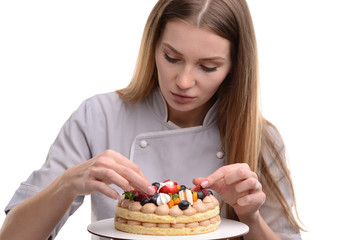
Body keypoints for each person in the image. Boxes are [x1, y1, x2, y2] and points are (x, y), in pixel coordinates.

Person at [0, 0, 304, 239]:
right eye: (171, 58)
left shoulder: (260, 138)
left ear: (234, 68)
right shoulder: (98, 117)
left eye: (208, 67)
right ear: (153, 47)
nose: (184, 81)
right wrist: (66, 184)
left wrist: (250, 217)